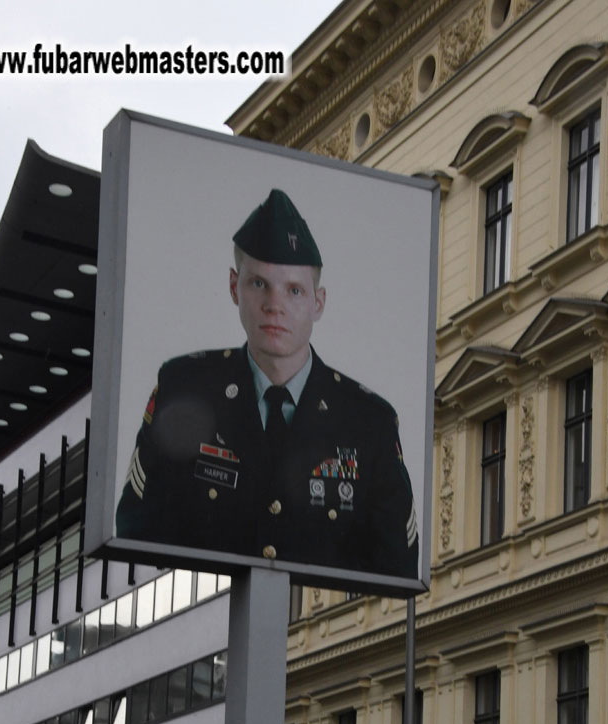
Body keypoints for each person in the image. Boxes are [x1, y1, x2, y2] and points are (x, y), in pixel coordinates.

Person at [116, 188, 419, 580]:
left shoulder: (369, 421)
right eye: (259, 284)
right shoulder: (184, 388)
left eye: (294, 290)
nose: (274, 305)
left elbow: (397, 565)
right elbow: (137, 530)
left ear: (318, 302)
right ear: (233, 286)